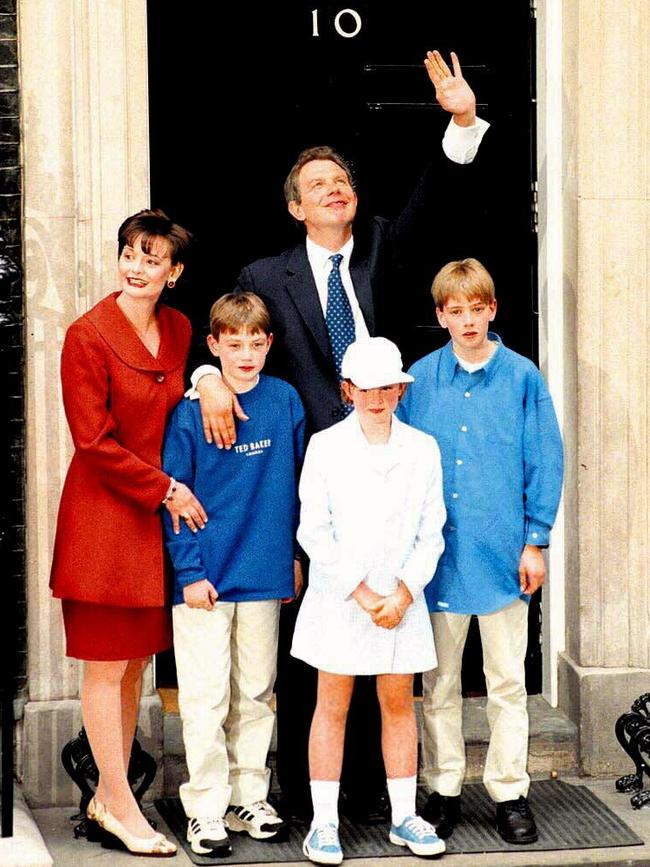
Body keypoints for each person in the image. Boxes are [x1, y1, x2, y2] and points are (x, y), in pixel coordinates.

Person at [191, 49, 490, 822]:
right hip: (309, 479)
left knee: (386, 628)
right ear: (295, 207)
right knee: (315, 636)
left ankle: (375, 795)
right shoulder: (264, 276)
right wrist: (206, 377)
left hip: (389, 466)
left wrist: (460, 119)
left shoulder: (388, 246)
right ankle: (303, 796)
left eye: (343, 180)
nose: (336, 189)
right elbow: (232, 342)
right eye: (319, 184)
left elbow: (441, 197)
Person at [49, 209, 206, 858]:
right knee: (105, 667)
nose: (137, 268)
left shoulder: (179, 327)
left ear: (174, 273)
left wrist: (209, 375)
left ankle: (108, 794)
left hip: (151, 531)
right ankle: (119, 803)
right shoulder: (86, 336)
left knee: (136, 665)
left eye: (152, 258)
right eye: (130, 255)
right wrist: (166, 489)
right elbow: (93, 441)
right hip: (104, 522)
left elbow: (182, 396)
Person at [397, 258, 564, 845]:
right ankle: (442, 788)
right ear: (440, 315)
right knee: (438, 683)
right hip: (438, 563)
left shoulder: (522, 378)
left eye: (477, 308)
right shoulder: (418, 381)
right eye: (455, 310)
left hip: (502, 557)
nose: (467, 320)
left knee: (506, 682)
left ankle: (510, 792)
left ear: (492, 309)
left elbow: (545, 460)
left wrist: (535, 540)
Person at [291, 337, 446, 864]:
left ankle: (404, 815)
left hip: (401, 602)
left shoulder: (423, 448)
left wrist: (402, 594)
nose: (376, 397)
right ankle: (325, 824)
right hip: (342, 599)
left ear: (401, 390)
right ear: (348, 390)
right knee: (331, 707)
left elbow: (433, 531)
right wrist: (362, 593)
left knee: (398, 703)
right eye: (365, 387)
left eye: (387, 387)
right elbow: (314, 531)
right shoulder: (325, 446)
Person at [162, 293, 305, 857]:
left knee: (256, 692)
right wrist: (189, 572)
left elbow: (295, 489)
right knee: (203, 698)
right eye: (234, 343)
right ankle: (204, 807)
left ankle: (250, 794)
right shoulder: (188, 413)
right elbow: (175, 499)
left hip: (265, 573)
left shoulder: (285, 401)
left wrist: (291, 556)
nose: (245, 355)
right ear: (214, 345)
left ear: (269, 344)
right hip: (205, 582)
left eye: (255, 343)